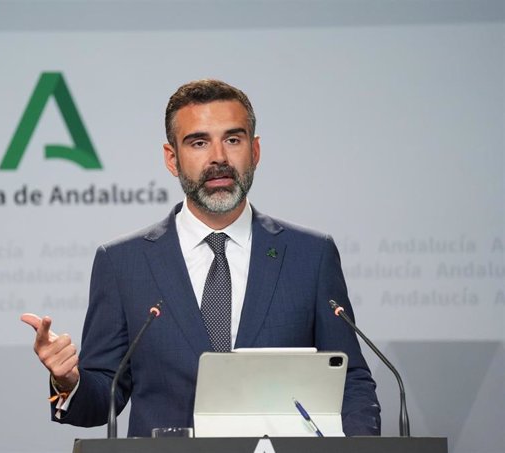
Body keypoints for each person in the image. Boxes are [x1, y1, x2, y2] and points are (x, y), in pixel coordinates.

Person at [22, 79, 381, 437]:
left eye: (233, 140)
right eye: (198, 142)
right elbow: (103, 399)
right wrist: (68, 379)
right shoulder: (122, 264)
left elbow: (349, 381)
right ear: (171, 158)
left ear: (254, 151)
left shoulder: (310, 256)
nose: (219, 158)